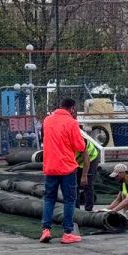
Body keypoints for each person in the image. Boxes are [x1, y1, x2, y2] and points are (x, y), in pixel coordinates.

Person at [40, 98, 86, 244]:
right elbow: (80, 147)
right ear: (72, 108)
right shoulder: (72, 123)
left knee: (49, 199)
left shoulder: (47, 120)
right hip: (67, 167)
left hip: (50, 166)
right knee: (69, 200)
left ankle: (46, 230)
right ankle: (67, 232)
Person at [76, 134, 100, 211]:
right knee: (74, 185)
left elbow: (86, 159)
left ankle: (88, 210)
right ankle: (76, 210)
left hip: (91, 158)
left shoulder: (78, 139)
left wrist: (84, 175)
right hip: (77, 162)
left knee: (87, 184)